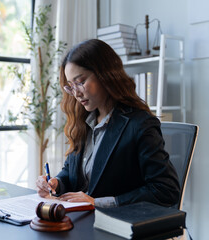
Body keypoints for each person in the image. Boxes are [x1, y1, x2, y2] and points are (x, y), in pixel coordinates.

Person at [36, 39, 180, 208]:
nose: (76, 93)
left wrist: (98, 203)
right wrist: (56, 183)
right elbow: (72, 172)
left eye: (81, 82)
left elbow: (166, 190)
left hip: (116, 225)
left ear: (105, 75)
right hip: (81, 219)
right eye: (71, 86)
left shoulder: (140, 125)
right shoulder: (83, 120)